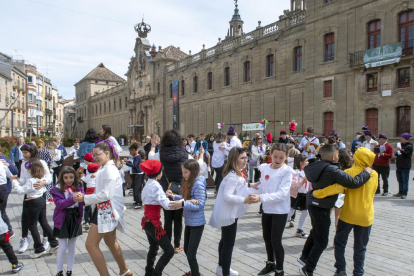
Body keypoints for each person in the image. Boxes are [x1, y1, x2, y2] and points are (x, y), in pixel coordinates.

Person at [298, 144, 373, 276]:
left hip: (314, 204)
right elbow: (353, 183)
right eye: (337, 155)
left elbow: (335, 187)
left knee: (317, 232)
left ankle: (306, 258)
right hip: (327, 208)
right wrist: (366, 172)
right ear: (333, 157)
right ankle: (307, 268)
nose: (338, 157)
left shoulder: (316, 166)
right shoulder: (334, 170)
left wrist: (316, 194)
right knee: (323, 241)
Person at [73, 140, 131, 276]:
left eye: (96, 155)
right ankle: (125, 270)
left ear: (106, 153)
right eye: (93, 155)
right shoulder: (105, 168)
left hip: (106, 211)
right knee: (110, 241)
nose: (94, 158)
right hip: (104, 210)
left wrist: (84, 198)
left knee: (90, 245)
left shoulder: (109, 170)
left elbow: (106, 195)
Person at [209, 147, 260, 276]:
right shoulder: (233, 176)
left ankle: (221, 268)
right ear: (234, 159)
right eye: (242, 158)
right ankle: (225, 272)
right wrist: (245, 199)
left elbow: (239, 185)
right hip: (228, 214)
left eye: (246, 157)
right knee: (228, 244)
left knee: (224, 240)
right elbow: (227, 196)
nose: (245, 160)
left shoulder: (237, 173)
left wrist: (250, 185)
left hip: (230, 213)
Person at [253, 143, 294, 276]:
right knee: (266, 238)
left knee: (276, 240)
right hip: (267, 208)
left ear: (286, 157)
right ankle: (270, 263)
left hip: (280, 210)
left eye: (281, 158)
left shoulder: (287, 171)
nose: (277, 160)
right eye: (275, 156)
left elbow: (282, 194)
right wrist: (248, 189)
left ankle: (280, 270)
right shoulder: (265, 168)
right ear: (270, 154)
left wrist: (260, 198)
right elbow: (262, 187)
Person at [148, 130, 190, 254]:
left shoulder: (159, 155)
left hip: (165, 190)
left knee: (167, 218)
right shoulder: (185, 154)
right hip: (180, 191)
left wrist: (153, 145)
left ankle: (167, 245)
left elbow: (150, 158)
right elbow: (196, 165)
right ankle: (177, 246)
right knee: (178, 219)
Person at [11, 159, 59, 258]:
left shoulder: (31, 181)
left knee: (32, 226)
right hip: (41, 200)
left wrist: (14, 182)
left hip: (32, 203)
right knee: (44, 222)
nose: (27, 171)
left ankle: (39, 248)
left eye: (28, 169)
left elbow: (20, 191)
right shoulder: (42, 179)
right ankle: (54, 242)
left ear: (32, 170)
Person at [168, 159, 207, 276]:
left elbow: (200, 204)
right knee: (186, 250)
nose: (183, 175)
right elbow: (186, 197)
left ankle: (195, 274)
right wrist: (174, 196)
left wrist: (183, 203)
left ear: (193, 172)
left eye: (186, 172)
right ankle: (194, 272)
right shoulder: (189, 182)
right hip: (190, 222)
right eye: (183, 172)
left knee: (191, 254)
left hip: (197, 224)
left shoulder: (198, 184)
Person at [17, 143, 52, 254]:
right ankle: (25, 238)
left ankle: (46, 239)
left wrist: (43, 182)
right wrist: (16, 181)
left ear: (32, 152)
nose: (24, 155)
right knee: (25, 217)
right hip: (28, 193)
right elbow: (23, 179)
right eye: (23, 153)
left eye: (26, 153)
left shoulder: (41, 162)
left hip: (39, 194)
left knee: (42, 220)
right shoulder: (24, 164)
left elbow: (49, 177)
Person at [51, 166, 85, 276]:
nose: (69, 180)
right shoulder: (57, 188)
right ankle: (59, 271)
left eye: (71, 177)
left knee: (72, 247)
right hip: (62, 218)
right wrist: (73, 199)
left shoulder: (79, 186)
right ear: (62, 178)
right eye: (66, 178)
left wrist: (82, 197)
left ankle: (69, 270)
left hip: (75, 217)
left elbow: (83, 202)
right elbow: (60, 204)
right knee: (62, 248)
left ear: (75, 177)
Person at [288, 154, 311, 239]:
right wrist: (302, 182)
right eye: (306, 161)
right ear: (301, 162)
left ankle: (299, 230)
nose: (308, 162)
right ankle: (278, 228)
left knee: (305, 212)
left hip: (305, 195)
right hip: (296, 195)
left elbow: (310, 184)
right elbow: (293, 185)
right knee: (290, 212)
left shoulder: (307, 171)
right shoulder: (296, 172)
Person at [334, 149, 354, 232]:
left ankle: (336, 235)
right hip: (346, 193)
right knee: (341, 216)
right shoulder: (351, 167)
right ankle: (339, 235)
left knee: (335, 216)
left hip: (336, 192)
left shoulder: (335, 166)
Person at [0, 152, 18, 237]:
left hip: (3, 189)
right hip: (3, 189)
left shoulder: (2, 159)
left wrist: (8, 164)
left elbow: (13, 173)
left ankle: (9, 231)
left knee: (2, 211)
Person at [393, 133, 413, 199]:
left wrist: (400, 150)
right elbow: (399, 155)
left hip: (405, 166)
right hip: (399, 165)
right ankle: (400, 192)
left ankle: (404, 193)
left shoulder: (409, 146)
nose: (401, 139)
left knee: (405, 180)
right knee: (399, 180)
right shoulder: (400, 145)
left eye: (402, 138)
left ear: (405, 139)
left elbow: (407, 154)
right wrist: (396, 152)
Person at [81, 163, 100, 230]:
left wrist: (82, 176)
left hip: (88, 193)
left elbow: (84, 179)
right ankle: (94, 220)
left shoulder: (88, 176)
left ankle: (86, 221)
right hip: (95, 192)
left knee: (86, 208)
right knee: (96, 208)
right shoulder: (98, 175)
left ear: (88, 170)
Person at [126, 141, 144, 209]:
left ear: (133, 150)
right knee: (135, 188)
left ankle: (139, 202)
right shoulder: (136, 157)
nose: (130, 153)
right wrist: (128, 162)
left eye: (130, 151)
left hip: (138, 174)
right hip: (136, 173)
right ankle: (136, 201)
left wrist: (126, 163)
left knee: (137, 188)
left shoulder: (137, 156)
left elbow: (134, 165)